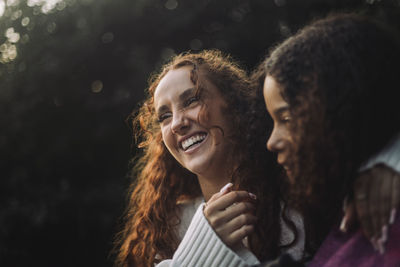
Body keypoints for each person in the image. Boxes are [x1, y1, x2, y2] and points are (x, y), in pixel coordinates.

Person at [113, 50, 304, 267]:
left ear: (233, 106)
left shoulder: (300, 201)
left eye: (191, 100)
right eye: (165, 116)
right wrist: (203, 244)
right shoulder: (167, 230)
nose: (176, 123)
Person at [261, 13, 400, 266]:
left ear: (340, 110)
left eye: (288, 119)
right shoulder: (344, 205)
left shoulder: (385, 223)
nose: (271, 142)